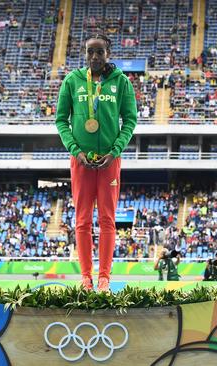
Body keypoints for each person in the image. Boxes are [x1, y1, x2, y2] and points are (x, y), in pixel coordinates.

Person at [55, 33, 137, 291]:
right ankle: (86, 277)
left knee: (107, 220)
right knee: (82, 220)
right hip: (80, 161)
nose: (94, 57)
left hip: (109, 162)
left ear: (107, 54)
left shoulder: (121, 82)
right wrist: (75, 150)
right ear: (85, 53)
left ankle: (104, 277)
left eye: (99, 52)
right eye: (90, 51)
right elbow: (61, 120)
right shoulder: (72, 81)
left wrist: (115, 151)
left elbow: (130, 120)